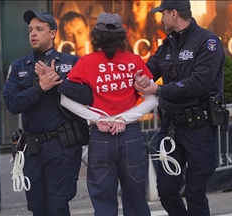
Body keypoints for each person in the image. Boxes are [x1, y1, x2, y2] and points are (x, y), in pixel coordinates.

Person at [37, 12, 159, 215]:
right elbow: (153, 99)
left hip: (101, 136)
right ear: (122, 36)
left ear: (96, 37)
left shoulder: (86, 62)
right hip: (130, 135)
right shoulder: (134, 60)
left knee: (103, 200)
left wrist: (99, 119)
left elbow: (65, 99)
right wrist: (123, 119)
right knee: (136, 198)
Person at [135, 0, 226, 215]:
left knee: (195, 193)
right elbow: (147, 71)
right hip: (172, 128)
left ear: (173, 13)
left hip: (199, 128)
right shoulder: (168, 44)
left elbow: (198, 84)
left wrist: (157, 90)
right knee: (166, 190)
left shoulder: (208, 42)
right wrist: (137, 78)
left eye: (163, 14)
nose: (161, 18)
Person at [2, 10, 92, 215]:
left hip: (62, 146)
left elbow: (87, 96)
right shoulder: (18, 66)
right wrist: (39, 88)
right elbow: (11, 103)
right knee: (37, 207)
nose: (33, 33)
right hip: (32, 148)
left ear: (52, 33)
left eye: (39, 29)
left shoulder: (72, 63)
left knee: (57, 205)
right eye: (30, 30)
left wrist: (58, 81)